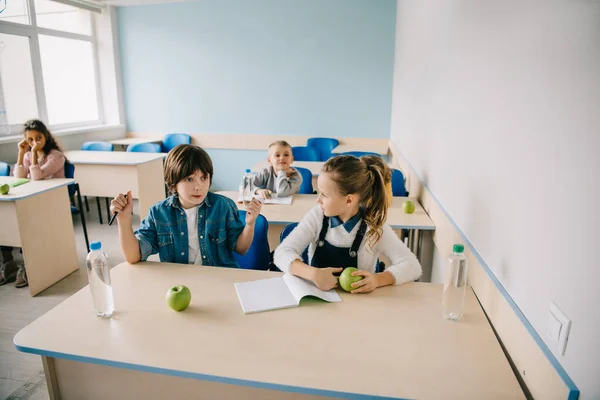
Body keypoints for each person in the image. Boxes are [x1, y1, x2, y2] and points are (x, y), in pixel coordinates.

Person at [274, 155, 421, 293]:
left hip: (358, 305)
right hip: (317, 298)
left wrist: (377, 279)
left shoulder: (374, 226)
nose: (318, 200)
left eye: (324, 195)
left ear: (349, 200)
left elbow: (412, 266)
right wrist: (313, 274)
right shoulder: (317, 216)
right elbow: (282, 253)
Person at [110, 144, 262, 267]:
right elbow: (133, 256)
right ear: (173, 182)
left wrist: (249, 224)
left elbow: (241, 249)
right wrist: (123, 220)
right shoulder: (158, 213)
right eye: (189, 179)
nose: (199, 187)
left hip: (219, 278)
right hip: (180, 282)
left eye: (204, 178)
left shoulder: (223, 206)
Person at [1, 119, 66, 288]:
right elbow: (19, 176)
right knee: (6, 220)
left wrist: (35, 155)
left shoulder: (56, 156)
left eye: (38, 138)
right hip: (31, 198)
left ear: (46, 136)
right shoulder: (29, 154)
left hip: (51, 200)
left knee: (26, 222)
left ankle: (29, 263)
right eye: (30, 140)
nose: (34, 143)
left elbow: (37, 176)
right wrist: (22, 154)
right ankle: (8, 263)